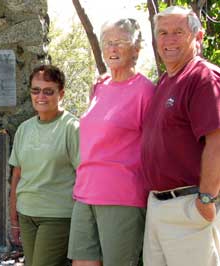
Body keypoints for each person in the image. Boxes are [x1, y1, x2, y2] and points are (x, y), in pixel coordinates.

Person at [67, 18, 155, 266]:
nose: (112, 49)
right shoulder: (100, 87)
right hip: (85, 194)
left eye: (120, 42)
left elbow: (154, 149)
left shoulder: (145, 91)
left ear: (136, 49)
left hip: (122, 196)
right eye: (108, 43)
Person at [141, 6, 220, 266]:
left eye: (178, 32)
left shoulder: (203, 78)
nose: (169, 40)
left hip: (190, 206)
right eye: (163, 33)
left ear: (197, 38)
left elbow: (217, 142)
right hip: (159, 206)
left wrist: (206, 199)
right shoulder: (165, 80)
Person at [9, 65, 80, 266]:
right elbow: (17, 175)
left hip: (57, 216)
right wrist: (13, 218)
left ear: (61, 93)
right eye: (35, 90)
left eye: (48, 91)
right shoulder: (24, 129)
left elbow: (84, 176)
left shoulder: (72, 128)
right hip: (27, 214)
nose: (41, 96)